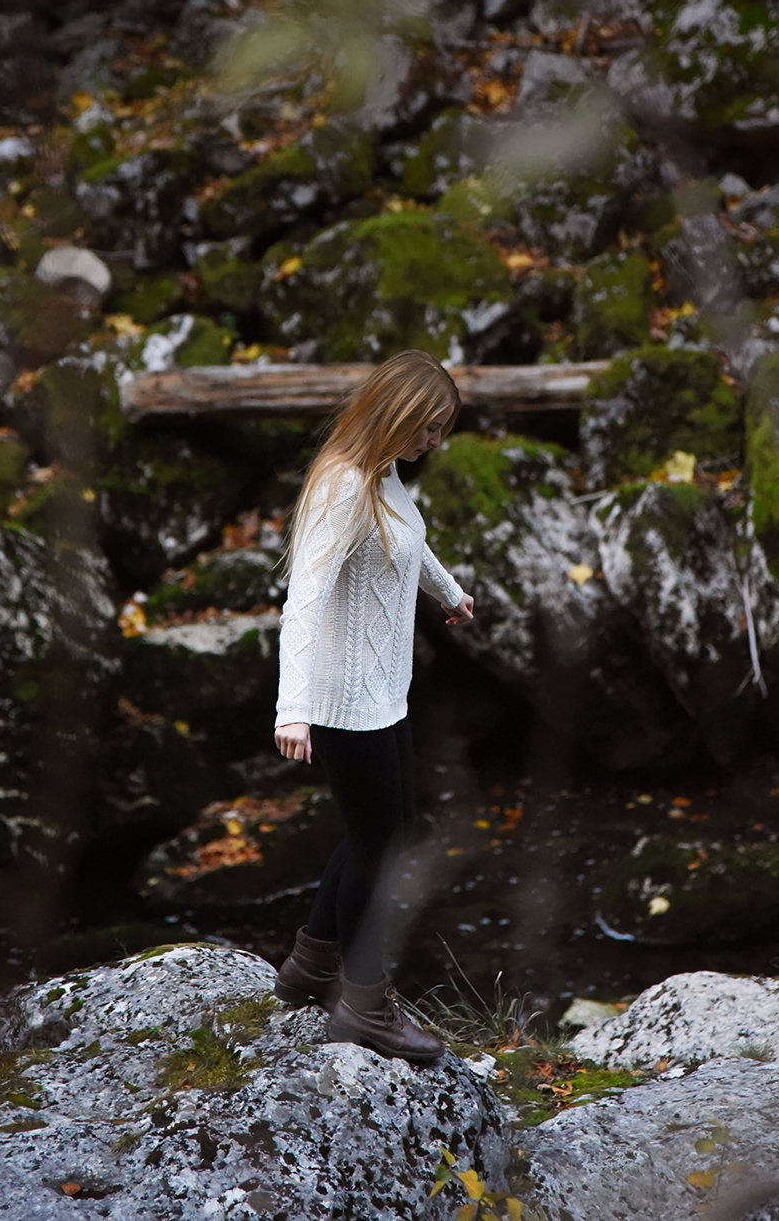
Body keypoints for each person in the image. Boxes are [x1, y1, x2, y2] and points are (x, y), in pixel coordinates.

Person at [272, 349, 474, 1064]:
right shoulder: (341, 486)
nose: (435, 442)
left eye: (441, 429)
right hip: (339, 698)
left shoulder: (381, 472)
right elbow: (303, 602)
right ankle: (364, 1004)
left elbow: (408, 541)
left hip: (382, 690)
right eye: (430, 427)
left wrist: (450, 592)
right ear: (398, 414)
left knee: (382, 830)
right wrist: (292, 708)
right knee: (381, 844)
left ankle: (310, 965)